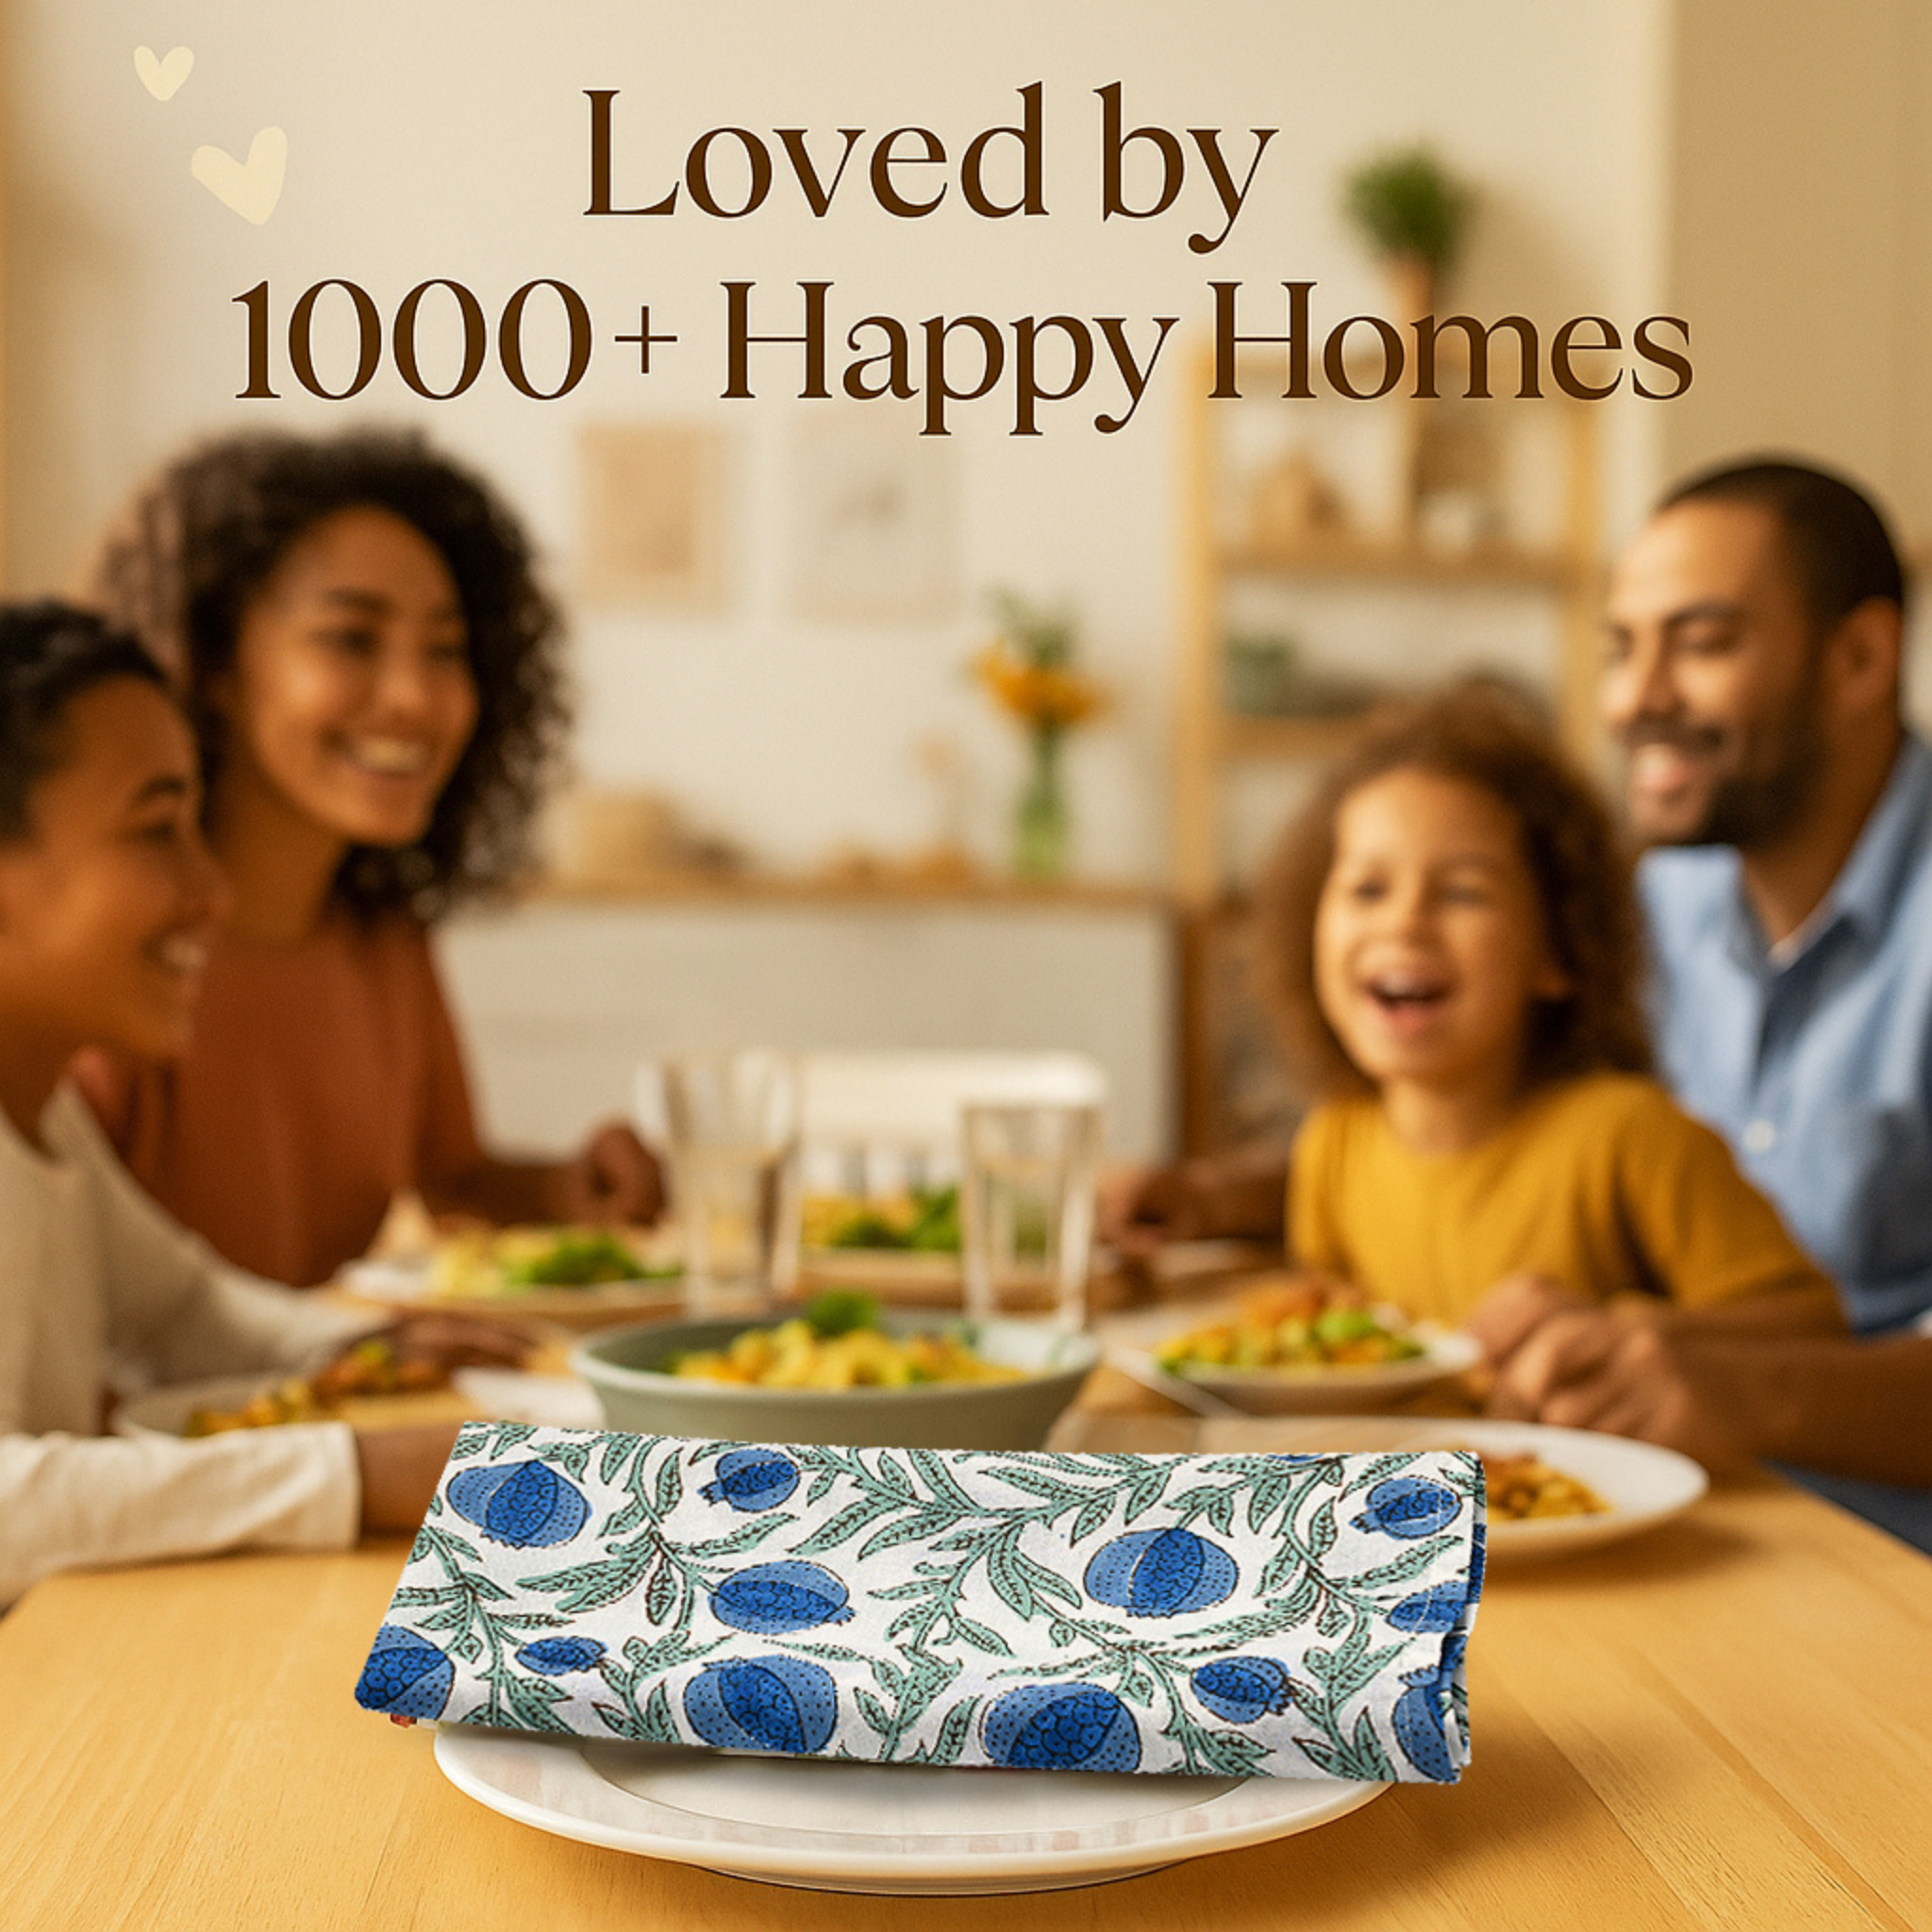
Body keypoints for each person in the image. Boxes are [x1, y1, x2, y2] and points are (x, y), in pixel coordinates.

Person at [0, 602, 508, 1607]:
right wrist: (356, 1473)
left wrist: (354, 1346)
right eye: (157, 831)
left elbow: (177, 1306)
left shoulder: (40, 1107)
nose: (210, 889)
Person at [74, 429, 664, 1286]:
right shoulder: (114, 949)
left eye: (446, 650)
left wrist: (570, 1187)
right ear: (211, 665)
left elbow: (452, 1181)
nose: (417, 697)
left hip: (318, 1405)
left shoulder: (382, 938)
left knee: (771, 1426)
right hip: (191, 1420)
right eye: (351, 639)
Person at [1244, 681, 1841, 1329]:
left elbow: (1810, 1330)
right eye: (1367, 889)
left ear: (1556, 951)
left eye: (1463, 894)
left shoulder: (1633, 1139)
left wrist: (1630, 1336)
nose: (1404, 924)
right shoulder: (1334, 1143)